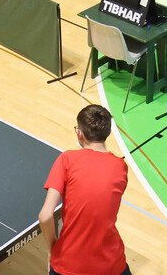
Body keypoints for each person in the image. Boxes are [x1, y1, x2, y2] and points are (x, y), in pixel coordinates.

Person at [38, 105, 130, 275]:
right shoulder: (121, 167)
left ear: (80, 133)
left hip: (67, 265)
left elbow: (45, 216)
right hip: (112, 265)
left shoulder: (66, 159)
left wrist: (52, 250)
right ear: (107, 133)